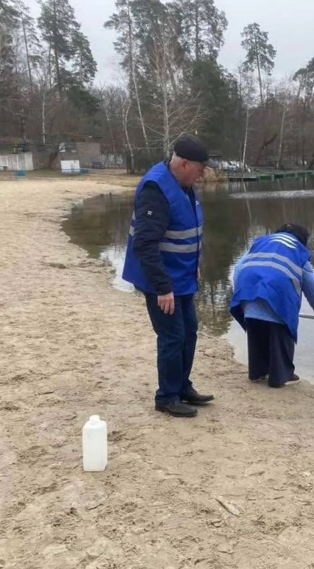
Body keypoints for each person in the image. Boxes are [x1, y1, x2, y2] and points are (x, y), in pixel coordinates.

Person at [121, 135, 216, 418]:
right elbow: (145, 244)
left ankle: (182, 386)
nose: (201, 175)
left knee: (189, 332)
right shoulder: (156, 189)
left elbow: (185, 232)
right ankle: (166, 397)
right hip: (161, 279)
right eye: (200, 169)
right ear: (184, 163)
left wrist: (195, 263)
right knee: (172, 337)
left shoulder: (183, 185)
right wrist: (162, 288)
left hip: (183, 274)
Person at [230, 224, 314, 388]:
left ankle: (258, 372)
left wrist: (243, 296)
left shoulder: (261, 242)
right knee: (280, 334)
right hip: (277, 300)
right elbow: (311, 284)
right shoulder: (297, 251)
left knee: (257, 332)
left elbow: (239, 268)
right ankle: (281, 376)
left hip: (247, 295)